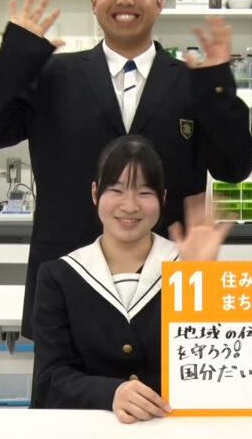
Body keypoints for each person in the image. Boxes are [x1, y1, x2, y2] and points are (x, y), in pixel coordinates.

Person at [0, 0, 252, 338]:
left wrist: (220, 87)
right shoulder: (52, 76)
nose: (126, 0)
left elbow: (234, 167)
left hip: (169, 282)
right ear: (94, 1)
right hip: (68, 282)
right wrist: (14, 56)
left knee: (164, 381)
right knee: (64, 379)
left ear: (160, 2)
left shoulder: (193, 83)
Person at [31, 135, 230, 421]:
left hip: (171, 427)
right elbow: (50, 379)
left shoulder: (188, 266)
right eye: (116, 190)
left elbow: (218, 366)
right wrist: (111, 394)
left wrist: (204, 278)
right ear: (95, 193)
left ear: (162, 198)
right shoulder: (59, 276)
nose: (130, 205)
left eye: (145, 193)